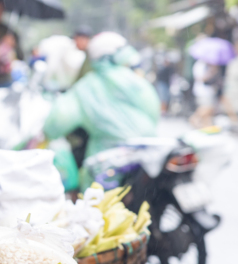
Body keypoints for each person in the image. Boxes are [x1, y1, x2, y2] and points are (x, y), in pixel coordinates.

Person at [44, 37, 160, 188]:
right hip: (147, 151)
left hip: (106, 159)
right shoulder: (136, 81)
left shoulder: (85, 86)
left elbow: (55, 124)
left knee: (95, 202)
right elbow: (154, 113)